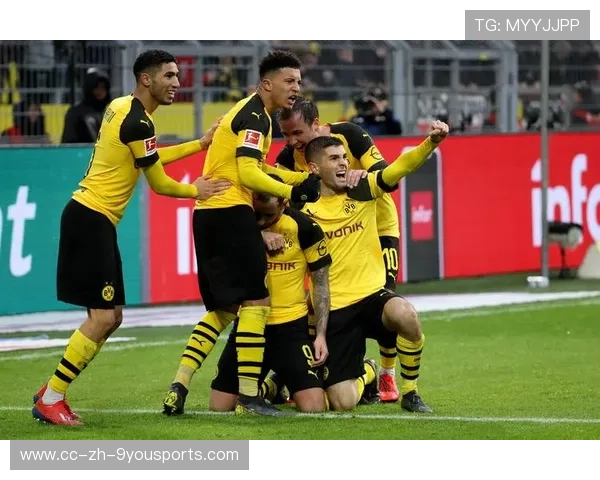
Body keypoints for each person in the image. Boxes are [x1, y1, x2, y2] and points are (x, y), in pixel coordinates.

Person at [32, 49, 231, 426]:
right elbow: (159, 183)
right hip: (90, 219)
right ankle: (52, 396)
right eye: (169, 76)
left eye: (177, 75)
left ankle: (52, 391)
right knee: (104, 317)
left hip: (91, 218)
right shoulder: (138, 121)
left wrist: (200, 144)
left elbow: (148, 157)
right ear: (146, 79)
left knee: (112, 317)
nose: (177, 83)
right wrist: (197, 190)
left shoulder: (121, 107)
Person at [162, 50, 321, 417]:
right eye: (289, 81)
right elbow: (249, 175)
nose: (296, 88)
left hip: (207, 215)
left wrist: (299, 178)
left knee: (224, 308)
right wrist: (292, 190)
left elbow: (257, 168)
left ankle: (180, 383)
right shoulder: (256, 117)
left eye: (299, 81)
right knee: (257, 303)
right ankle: (250, 397)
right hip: (231, 212)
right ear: (267, 83)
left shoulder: (250, 112)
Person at [293, 122, 448, 412]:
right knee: (342, 403)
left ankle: (410, 392)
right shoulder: (302, 209)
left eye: (344, 157)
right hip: (336, 309)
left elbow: (399, 168)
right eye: (334, 159)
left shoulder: (362, 188)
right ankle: (369, 371)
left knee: (405, 314)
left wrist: (431, 142)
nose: (343, 163)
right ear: (314, 168)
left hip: (372, 297)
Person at [275, 97, 401, 403]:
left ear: (316, 125)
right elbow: (276, 195)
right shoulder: (288, 157)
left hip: (377, 224)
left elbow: (384, 172)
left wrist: (362, 174)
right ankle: (311, 369)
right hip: (332, 231)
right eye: (285, 134)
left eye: (297, 133)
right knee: (313, 300)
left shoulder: (350, 134)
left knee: (386, 300)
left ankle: (387, 373)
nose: (291, 141)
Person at [209, 178, 331, 413]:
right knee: (219, 407)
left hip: (291, 329)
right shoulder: (239, 222)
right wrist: (257, 235)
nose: (262, 221)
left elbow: (321, 284)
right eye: (257, 214)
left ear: (284, 203)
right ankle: (270, 387)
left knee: (314, 407)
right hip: (250, 326)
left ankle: (274, 382)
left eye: (268, 215)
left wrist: (320, 335)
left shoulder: (305, 227)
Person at [61, 68, 112, 144]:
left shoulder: (108, 112)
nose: (100, 91)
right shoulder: (76, 112)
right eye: (96, 87)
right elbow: (69, 142)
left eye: (103, 87)